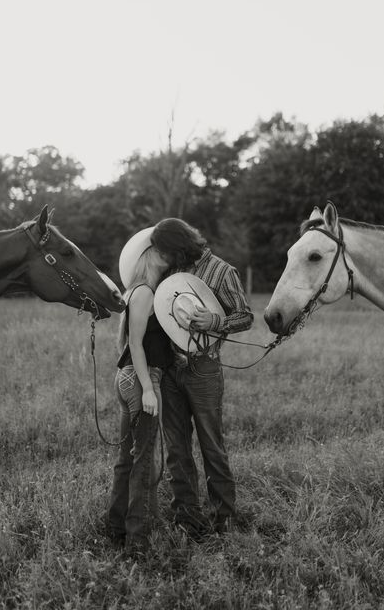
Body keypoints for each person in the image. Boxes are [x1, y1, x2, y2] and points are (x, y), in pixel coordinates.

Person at [150, 218, 254, 537]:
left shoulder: (222, 271)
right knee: (176, 446)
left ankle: (225, 515)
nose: (163, 258)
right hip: (170, 368)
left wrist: (214, 320)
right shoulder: (170, 272)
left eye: (166, 251)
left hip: (203, 368)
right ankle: (187, 514)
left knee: (211, 443)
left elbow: (246, 316)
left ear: (179, 247)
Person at [106, 234, 173, 555]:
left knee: (126, 460)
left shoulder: (139, 291)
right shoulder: (145, 291)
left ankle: (116, 528)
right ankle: (137, 541)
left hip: (128, 376)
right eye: (162, 252)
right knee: (143, 462)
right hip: (141, 380)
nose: (168, 256)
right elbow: (135, 343)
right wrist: (148, 388)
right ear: (149, 256)